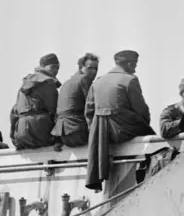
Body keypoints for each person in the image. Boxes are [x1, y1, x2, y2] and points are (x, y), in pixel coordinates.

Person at [84, 50, 155, 192]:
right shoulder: (130, 80)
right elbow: (141, 110)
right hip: (121, 129)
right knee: (154, 140)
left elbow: (89, 111)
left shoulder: (98, 82)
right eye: (135, 65)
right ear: (129, 64)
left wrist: (96, 131)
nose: (135, 68)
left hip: (101, 133)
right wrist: (145, 123)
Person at [10, 53, 62, 150]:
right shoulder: (48, 82)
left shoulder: (23, 85)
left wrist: (14, 138)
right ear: (42, 66)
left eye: (58, 68)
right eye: (53, 67)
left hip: (21, 134)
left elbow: (14, 113)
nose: (56, 71)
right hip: (39, 130)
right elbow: (55, 111)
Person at [52, 53, 99, 147]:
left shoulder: (66, 83)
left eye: (96, 68)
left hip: (63, 135)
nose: (94, 72)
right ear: (81, 67)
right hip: (77, 131)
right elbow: (93, 106)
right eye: (90, 68)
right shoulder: (85, 79)